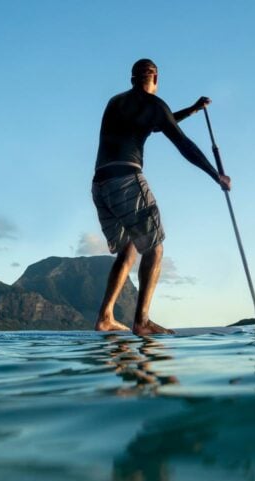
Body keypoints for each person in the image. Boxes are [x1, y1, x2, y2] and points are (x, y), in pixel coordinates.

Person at [92, 58, 231, 336]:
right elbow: (183, 143)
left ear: (132, 78)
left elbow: (156, 124)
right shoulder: (155, 105)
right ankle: (142, 321)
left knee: (129, 247)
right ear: (155, 78)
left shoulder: (115, 102)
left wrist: (191, 110)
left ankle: (105, 316)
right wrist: (216, 175)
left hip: (100, 185)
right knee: (154, 247)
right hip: (126, 180)